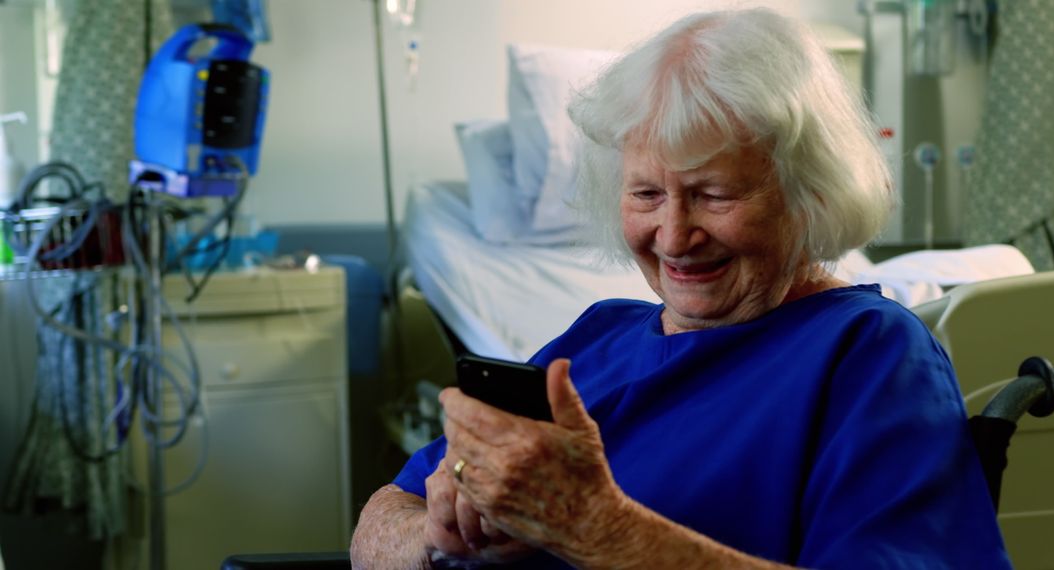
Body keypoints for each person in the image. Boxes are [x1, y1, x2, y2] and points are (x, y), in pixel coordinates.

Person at [352, 8, 1011, 569]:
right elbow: (378, 520)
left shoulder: (868, 356)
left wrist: (596, 527)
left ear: (807, 193)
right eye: (645, 193)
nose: (673, 235)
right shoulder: (593, 339)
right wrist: (437, 537)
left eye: (712, 194)